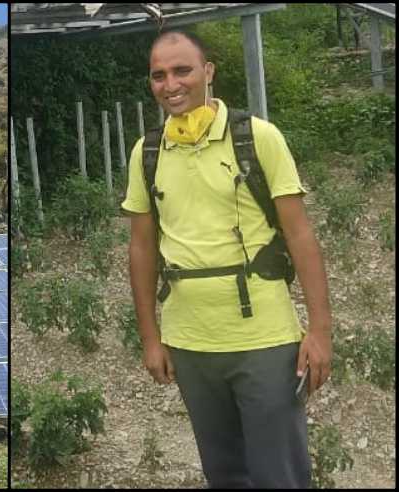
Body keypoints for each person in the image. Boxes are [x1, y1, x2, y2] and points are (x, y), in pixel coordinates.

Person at [121, 29, 332, 489]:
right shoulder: (148, 153)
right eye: (159, 75)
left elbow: (299, 233)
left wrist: (319, 330)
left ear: (208, 72)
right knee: (224, 473)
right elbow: (141, 247)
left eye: (182, 70)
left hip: (263, 339)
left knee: (280, 473)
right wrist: (151, 338)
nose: (170, 84)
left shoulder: (257, 137)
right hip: (190, 343)